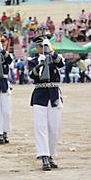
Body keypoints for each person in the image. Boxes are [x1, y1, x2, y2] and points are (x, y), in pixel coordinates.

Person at [28, 36, 65, 171]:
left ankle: (50, 154)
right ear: (36, 48)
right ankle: (44, 156)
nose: (41, 49)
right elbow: (32, 75)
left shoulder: (54, 58)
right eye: (40, 46)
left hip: (54, 94)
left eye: (44, 46)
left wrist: (51, 52)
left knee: (54, 127)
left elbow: (61, 64)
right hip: (40, 95)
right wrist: (40, 65)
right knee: (41, 127)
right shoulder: (33, 61)